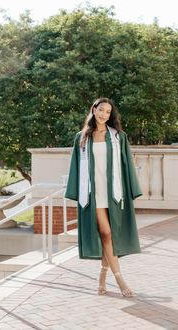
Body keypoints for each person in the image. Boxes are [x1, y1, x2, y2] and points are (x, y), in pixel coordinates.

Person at [65, 97, 142, 297]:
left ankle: (102, 277)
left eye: (108, 112)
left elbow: (127, 165)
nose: (104, 115)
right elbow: (75, 167)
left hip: (114, 192)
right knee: (106, 233)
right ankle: (120, 280)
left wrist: (132, 189)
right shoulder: (81, 138)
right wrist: (74, 191)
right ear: (94, 110)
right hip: (93, 193)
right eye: (101, 110)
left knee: (111, 235)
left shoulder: (118, 137)